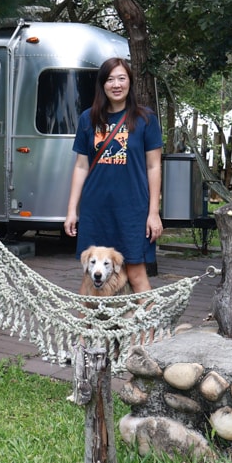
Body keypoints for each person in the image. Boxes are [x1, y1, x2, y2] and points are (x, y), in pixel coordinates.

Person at [64, 57, 163, 293]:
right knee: (90, 275)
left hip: (132, 211)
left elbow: (154, 167)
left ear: (129, 82)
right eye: (110, 79)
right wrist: (71, 211)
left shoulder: (145, 120)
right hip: (96, 210)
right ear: (102, 85)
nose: (116, 85)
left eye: (122, 78)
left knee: (136, 273)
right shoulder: (88, 119)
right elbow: (81, 166)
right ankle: (86, 330)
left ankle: (148, 331)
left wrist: (153, 213)